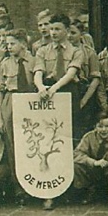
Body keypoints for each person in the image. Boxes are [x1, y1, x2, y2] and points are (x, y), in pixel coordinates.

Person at [33, 12, 84, 166]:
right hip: (47, 91)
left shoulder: (76, 51)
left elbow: (70, 74)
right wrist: (41, 87)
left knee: (69, 130)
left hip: (68, 90)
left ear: (67, 31)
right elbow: (38, 72)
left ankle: (69, 167)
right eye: (52, 29)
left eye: (57, 29)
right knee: (48, 130)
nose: (53, 33)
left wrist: (54, 88)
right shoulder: (42, 50)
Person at [0, 28, 35, 205]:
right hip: (11, 102)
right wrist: (0, 117)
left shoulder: (34, 61)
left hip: (30, 102)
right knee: (13, 147)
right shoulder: (5, 64)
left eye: (12, 43)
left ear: (23, 44)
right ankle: (19, 188)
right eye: (7, 44)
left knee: (32, 143)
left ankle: (34, 184)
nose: (9, 47)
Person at [73, 111, 108, 207]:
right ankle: (89, 190)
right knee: (76, 166)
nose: (104, 130)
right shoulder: (89, 137)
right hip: (95, 169)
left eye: (107, 126)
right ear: (95, 127)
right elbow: (77, 154)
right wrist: (94, 162)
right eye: (100, 126)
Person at [69, 20, 102, 135]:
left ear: (81, 34)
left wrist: (84, 100)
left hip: (84, 92)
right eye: (67, 32)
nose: (69, 36)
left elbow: (95, 79)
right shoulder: (63, 52)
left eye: (73, 33)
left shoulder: (89, 52)